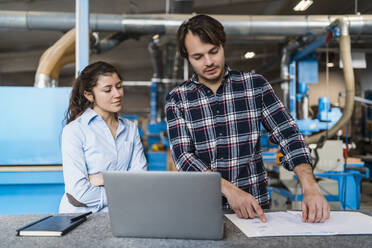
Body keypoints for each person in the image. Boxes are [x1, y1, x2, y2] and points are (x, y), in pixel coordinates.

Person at [165, 15, 330, 223]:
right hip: (201, 209)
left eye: (213, 52)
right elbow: (184, 157)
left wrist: (309, 185)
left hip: (254, 208)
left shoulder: (254, 86)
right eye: (198, 57)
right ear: (187, 58)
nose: (208, 62)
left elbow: (288, 134)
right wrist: (230, 190)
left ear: (222, 45)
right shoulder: (177, 99)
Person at [59, 61, 147, 213]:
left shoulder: (130, 129)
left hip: (121, 216)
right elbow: (80, 193)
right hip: (79, 219)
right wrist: (124, 189)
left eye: (119, 86)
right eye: (108, 90)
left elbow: (141, 181)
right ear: (89, 95)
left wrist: (102, 179)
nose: (117, 94)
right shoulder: (74, 131)